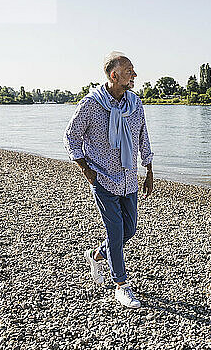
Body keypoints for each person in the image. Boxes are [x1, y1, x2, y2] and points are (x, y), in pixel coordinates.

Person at [63, 52, 154, 309]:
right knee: (115, 230)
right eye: (129, 71)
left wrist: (149, 171)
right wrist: (84, 168)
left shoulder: (135, 104)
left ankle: (96, 254)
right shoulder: (91, 104)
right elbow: (71, 136)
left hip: (129, 178)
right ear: (114, 75)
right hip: (102, 178)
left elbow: (142, 138)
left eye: (133, 70)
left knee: (130, 229)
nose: (134, 75)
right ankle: (121, 286)